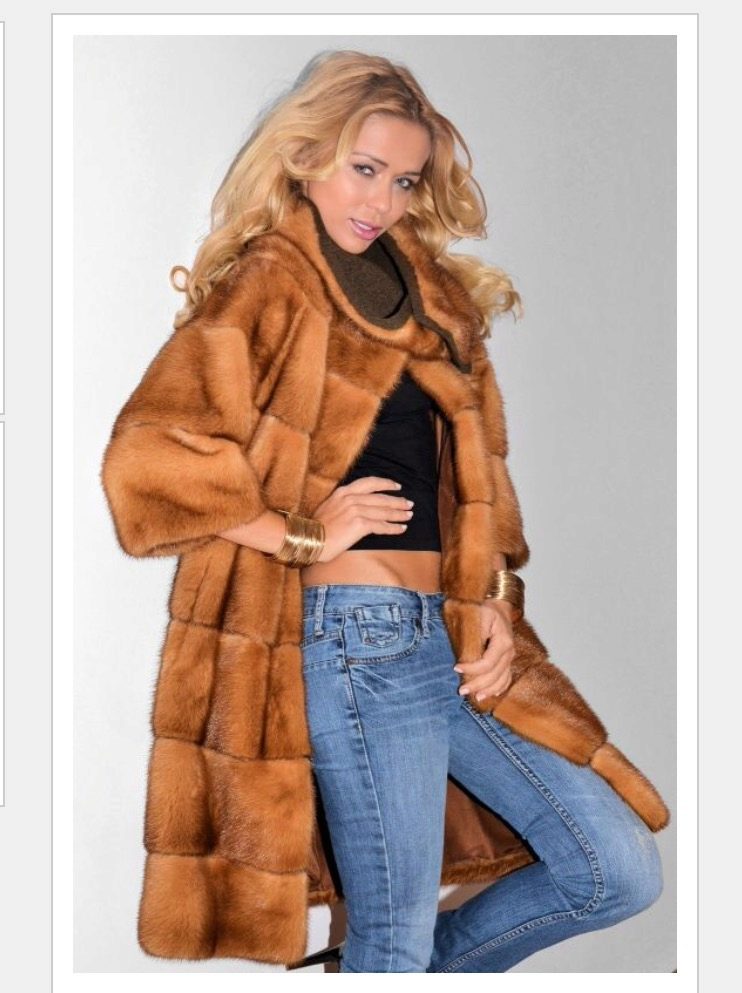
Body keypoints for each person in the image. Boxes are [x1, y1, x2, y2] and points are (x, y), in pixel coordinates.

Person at [100, 50, 668, 973]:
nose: (383, 200)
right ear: (305, 157)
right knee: (395, 936)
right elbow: (150, 459)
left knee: (614, 870)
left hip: (451, 635)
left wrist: (496, 603)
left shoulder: (435, 300)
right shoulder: (272, 280)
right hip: (355, 634)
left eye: (404, 180)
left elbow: (481, 491)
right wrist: (301, 531)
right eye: (365, 169)